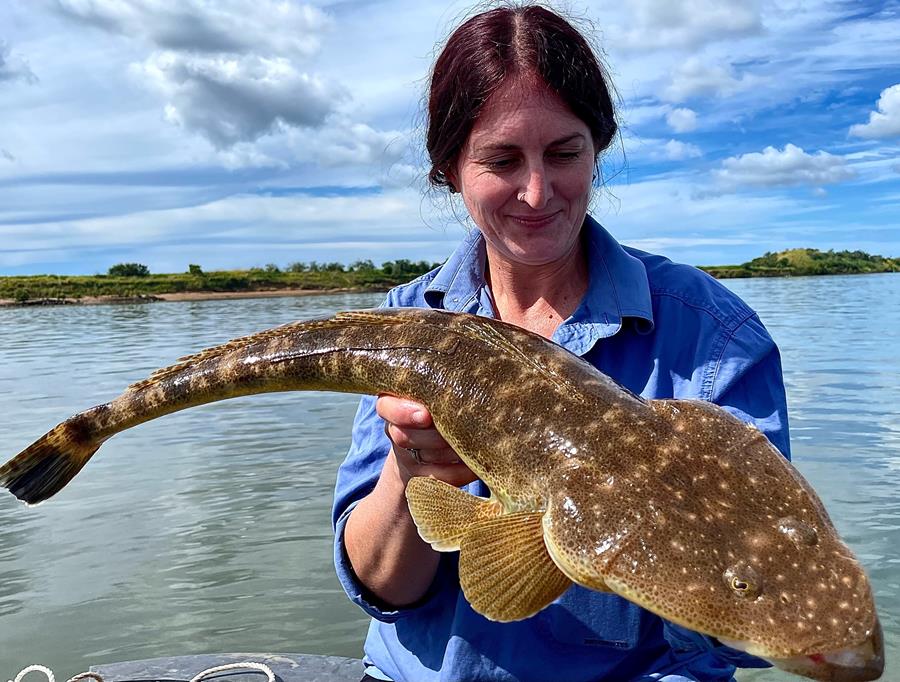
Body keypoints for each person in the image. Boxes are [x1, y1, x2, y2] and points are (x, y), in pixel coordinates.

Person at [332, 5, 791, 681]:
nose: (538, 192)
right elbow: (383, 590)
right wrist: (409, 473)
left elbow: (754, 624)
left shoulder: (715, 337)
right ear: (449, 168)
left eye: (565, 153)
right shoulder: (408, 322)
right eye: (502, 159)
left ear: (598, 149)